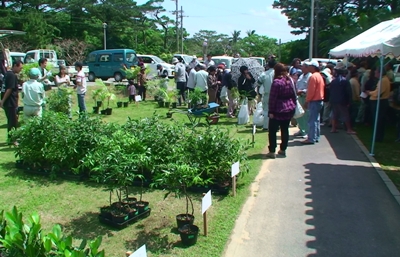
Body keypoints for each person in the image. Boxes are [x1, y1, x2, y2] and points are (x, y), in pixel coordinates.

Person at [266, 63, 297, 158]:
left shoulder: (276, 82)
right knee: (285, 129)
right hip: (289, 108)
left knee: (272, 131)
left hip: (277, 109)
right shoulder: (290, 81)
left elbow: (272, 98)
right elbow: (294, 95)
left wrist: (271, 111)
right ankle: (283, 149)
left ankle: (272, 151)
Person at [0, 60, 23, 145]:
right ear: (15, 66)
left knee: (12, 121)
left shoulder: (7, 74)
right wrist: (3, 101)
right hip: (10, 102)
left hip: (9, 102)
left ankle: (11, 138)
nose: (21, 70)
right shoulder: (12, 75)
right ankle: (13, 139)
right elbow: (9, 89)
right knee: (13, 121)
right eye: (20, 68)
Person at [329, 63, 356, 134]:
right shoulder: (345, 81)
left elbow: (330, 90)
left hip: (334, 100)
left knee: (335, 114)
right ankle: (349, 129)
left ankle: (333, 128)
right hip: (342, 100)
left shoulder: (333, 81)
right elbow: (348, 93)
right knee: (345, 115)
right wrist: (349, 102)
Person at [302, 60, 325, 145]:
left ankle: (311, 138)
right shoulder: (319, 76)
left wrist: (307, 101)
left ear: (313, 67)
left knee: (312, 120)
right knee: (316, 120)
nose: (308, 67)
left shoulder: (313, 77)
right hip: (319, 100)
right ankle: (316, 136)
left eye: (310, 66)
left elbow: (311, 91)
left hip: (314, 100)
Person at [366, 67, 391, 142]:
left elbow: (378, 93)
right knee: (379, 120)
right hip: (381, 101)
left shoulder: (383, 80)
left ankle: (377, 137)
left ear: (380, 73)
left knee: (378, 120)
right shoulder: (384, 79)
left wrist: (369, 93)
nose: (375, 73)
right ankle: (378, 136)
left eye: (376, 72)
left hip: (379, 102)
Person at [294, 63, 311, 137]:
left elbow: (310, 88)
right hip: (299, 97)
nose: (301, 68)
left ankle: (306, 131)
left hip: (305, 97)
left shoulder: (310, 76)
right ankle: (301, 129)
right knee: (299, 114)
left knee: (306, 115)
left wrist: (302, 91)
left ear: (307, 68)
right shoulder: (301, 75)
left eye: (303, 67)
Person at [257, 59, 276, 130]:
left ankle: (266, 126)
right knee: (276, 110)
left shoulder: (264, 74)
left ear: (268, 65)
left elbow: (258, 83)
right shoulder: (278, 73)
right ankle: (275, 126)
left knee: (266, 110)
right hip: (277, 95)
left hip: (267, 94)